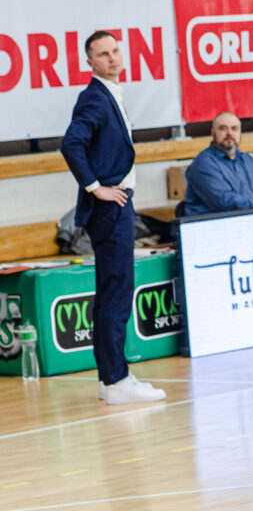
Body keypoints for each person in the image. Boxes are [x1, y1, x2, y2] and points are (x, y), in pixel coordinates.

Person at [60, 31, 167, 405]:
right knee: (117, 291)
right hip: (111, 206)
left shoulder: (110, 95)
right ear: (90, 62)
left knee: (110, 293)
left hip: (116, 205)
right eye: (103, 54)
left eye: (115, 50)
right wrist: (96, 187)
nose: (112, 58)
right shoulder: (94, 97)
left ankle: (110, 378)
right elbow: (71, 144)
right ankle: (118, 379)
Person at [184, 112, 253, 216]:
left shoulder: (248, 160)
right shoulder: (203, 164)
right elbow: (226, 202)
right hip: (214, 223)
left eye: (234, 129)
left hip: (246, 219)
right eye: (223, 128)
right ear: (213, 133)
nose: (229, 133)